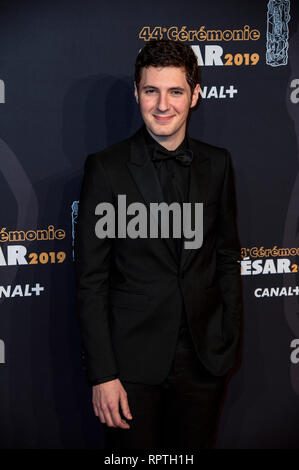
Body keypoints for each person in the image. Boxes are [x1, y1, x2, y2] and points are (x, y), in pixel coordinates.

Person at [74, 39, 242, 449]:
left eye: (175, 91)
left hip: (203, 360)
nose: (162, 104)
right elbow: (91, 279)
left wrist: (228, 340)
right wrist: (102, 374)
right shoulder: (107, 168)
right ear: (137, 93)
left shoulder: (218, 164)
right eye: (152, 91)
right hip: (130, 366)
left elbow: (226, 257)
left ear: (195, 95)